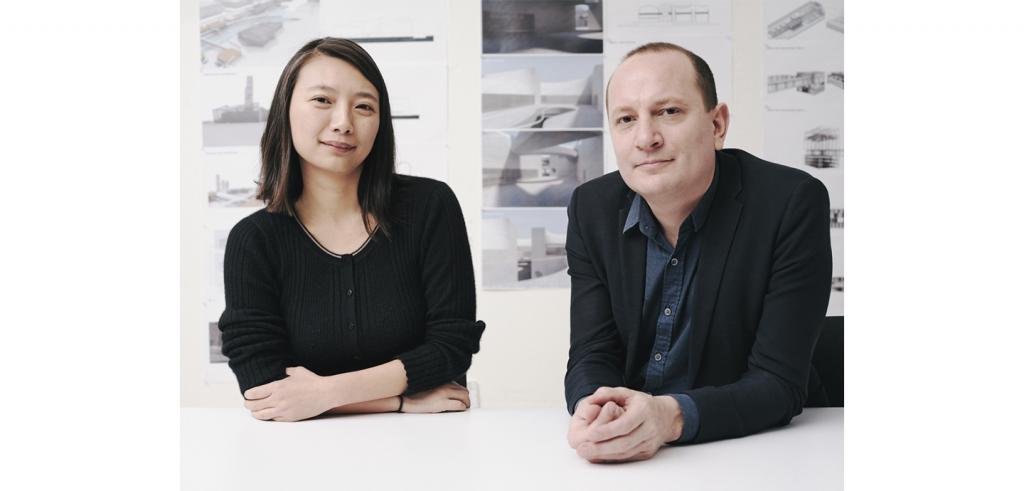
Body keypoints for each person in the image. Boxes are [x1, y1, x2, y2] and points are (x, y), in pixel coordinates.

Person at [563, 42, 832, 462]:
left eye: (668, 112)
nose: (646, 138)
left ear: (717, 124)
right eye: (626, 119)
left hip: (758, 451)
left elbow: (777, 382)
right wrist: (596, 407)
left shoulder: (789, 203)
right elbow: (591, 352)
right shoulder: (591, 209)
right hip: (635, 458)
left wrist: (666, 418)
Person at [219, 38, 485, 422]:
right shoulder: (254, 241)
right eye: (322, 101)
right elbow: (263, 388)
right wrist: (399, 401)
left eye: (363, 106)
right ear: (285, 110)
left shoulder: (431, 206)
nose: (344, 122)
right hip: (299, 456)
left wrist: (324, 393)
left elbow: (451, 347)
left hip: (429, 446)